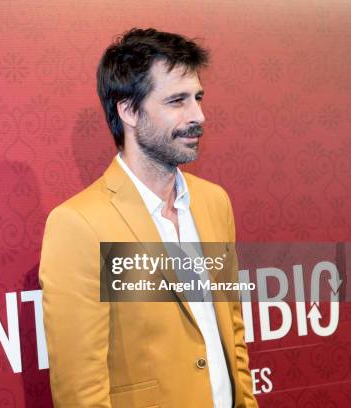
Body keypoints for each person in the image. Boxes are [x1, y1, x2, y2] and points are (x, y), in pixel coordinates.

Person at [38, 28, 258, 407]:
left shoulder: (213, 203)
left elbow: (232, 333)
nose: (198, 116)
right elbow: (80, 391)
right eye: (177, 101)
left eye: (198, 98)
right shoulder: (79, 224)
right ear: (128, 110)